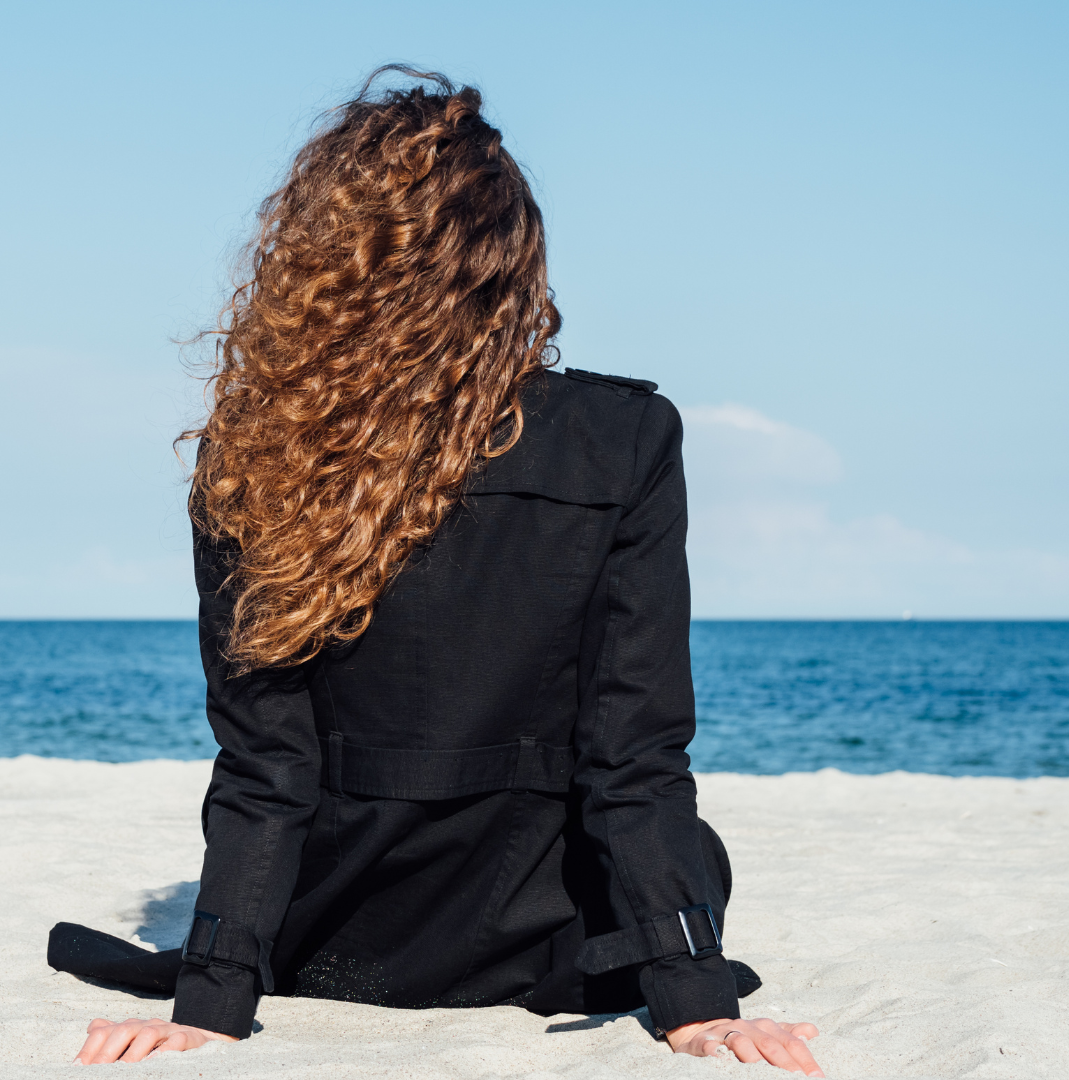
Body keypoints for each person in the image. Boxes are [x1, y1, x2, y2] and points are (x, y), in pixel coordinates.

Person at [51, 67, 824, 1075]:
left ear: (318, 260)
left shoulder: (256, 450)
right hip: (536, 938)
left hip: (328, 940)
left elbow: (266, 768)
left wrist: (214, 996)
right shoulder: (624, 437)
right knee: (701, 852)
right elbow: (632, 753)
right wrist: (694, 996)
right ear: (513, 264)